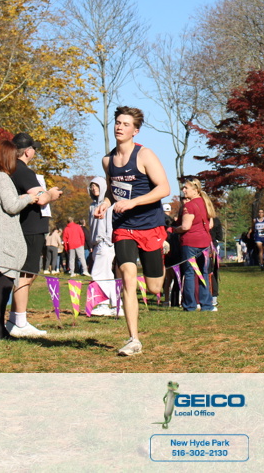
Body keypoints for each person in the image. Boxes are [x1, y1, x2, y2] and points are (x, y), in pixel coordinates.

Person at [93, 106, 171, 356]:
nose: (119, 127)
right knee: (127, 276)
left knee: (154, 288)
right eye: (117, 122)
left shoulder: (145, 155)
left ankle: (160, 254)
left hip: (150, 225)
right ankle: (133, 339)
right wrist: (105, 204)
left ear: (135, 131)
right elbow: (111, 190)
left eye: (125, 124)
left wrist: (134, 202)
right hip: (123, 226)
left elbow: (164, 188)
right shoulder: (107, 161)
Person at [0, 139, 42, 340]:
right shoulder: (1, 178)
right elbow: (11, 206)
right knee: (3, 286)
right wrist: (29, 198)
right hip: (4, 237)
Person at [8, 133, 63, 338]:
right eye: (34, 149)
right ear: (28, 151)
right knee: (26, 274)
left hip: (24, 228)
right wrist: (52, 194)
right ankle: (20, 322)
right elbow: (40, 198)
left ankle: (15, 319)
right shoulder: (23, 171)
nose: (34, 152)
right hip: (29, 229)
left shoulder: (10, 169)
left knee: (26, 273)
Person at [173, 177, 216, 311]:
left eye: (186, 188)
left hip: (190, 242)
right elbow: (210, 225)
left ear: (195, 189)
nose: (184, 190)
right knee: (203, 273)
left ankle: (190, 305)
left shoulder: (189, 206)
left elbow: (185, 226)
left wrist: (175, 230)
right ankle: (206, 304)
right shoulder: (206, 203)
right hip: (205, 242)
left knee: (189, 273)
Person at [87, 177, 119, 316]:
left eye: (97, 186)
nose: (94, 188)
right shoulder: (91, 206)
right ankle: (116, 305)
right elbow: (91, 226)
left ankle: (103, 304)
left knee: (98, 274)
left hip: (105, 243)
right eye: (92, 186)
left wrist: (107, 240)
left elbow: (110, 224)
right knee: (107, 275)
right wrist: (92, 243)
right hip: (96, 244)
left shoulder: (109, 205)